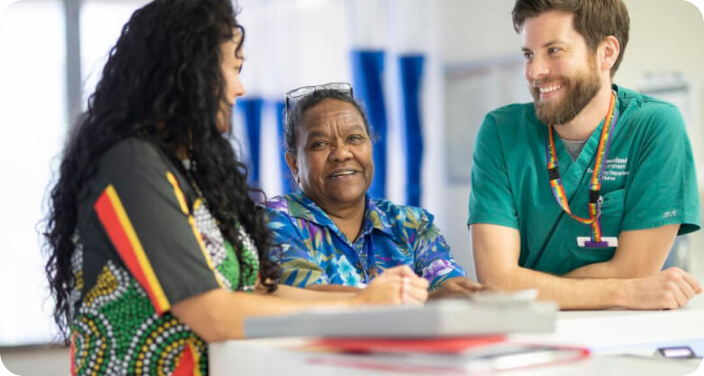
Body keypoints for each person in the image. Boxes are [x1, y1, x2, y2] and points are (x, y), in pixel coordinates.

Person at [43, 1, 429, 374]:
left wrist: (369, 297)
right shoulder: (130, 165)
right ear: (189, 70)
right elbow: (212, 313)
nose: (240, 88)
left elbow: (259, 290)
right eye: (233, 68)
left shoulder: (186, 174)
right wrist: (358, 309)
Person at [468, 0, 702, 310]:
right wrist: (625, 291)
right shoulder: (500, 131)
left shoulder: (654, 127)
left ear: (607, 52)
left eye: (554, 50)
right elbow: (496, 282)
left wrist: (525, 285)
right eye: (529, 54)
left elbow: (635, 271)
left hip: (622, 334)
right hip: (527, 336)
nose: (535, 71)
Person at [266, 84, 480, 299]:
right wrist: (417, 299)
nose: (341, 154)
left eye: (354, 139)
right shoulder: (275, 221)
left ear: (371, 145)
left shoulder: (412, 224)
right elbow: (307, 298)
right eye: (320, 144)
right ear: (294, 165)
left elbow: (451, 292)